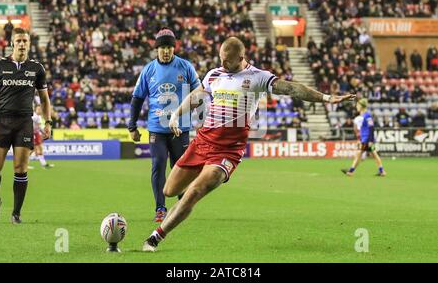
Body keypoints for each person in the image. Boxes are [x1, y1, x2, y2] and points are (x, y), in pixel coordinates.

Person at [142, 37, 354, 251]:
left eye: (227, 61)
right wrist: (176, 115)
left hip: (228, 151)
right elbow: (197, 95)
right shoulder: (214, 74)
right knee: (169, 190)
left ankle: (156, 237)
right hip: (203, 141)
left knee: (194, 192)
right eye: (221, 59)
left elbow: (292, 88)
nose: (223, 64)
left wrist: (326, 98)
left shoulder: (258, 77)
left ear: (241, 58)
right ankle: (189, 194)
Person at [128, 28, 200, 222]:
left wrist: (199, 117)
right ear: (156, 49)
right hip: (157, 130)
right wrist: (132, 127)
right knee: (158, 164)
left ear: (174, 48)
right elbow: (137, 98)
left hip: (181, 129)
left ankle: (183, 205)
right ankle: (160, 208)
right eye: (162, 48)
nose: (166, 51)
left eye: (169, 47)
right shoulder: (149, 70)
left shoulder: (185, 67)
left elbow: (200, 93)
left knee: (181, 167)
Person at [0, 27, 52, 223]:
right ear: (12, 43)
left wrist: (47, 122)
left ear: (29, 44)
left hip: (24, 121)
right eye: (19, 41)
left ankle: (16, 213)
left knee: (20, 168)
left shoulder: (37, 68)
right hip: (1, 121)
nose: (22, 44)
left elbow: (44, 99)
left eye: (25, 41)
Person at [341, 99, 386, 177]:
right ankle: (382, 171)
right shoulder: (364, 116)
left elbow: (371, 128)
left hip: (366, 139)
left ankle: (351, 171)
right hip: (366, 139)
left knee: (359, 154)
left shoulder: (367, 116)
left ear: (361, 106)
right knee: (373, 154)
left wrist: (370, 140)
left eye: (358, 105)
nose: (356, 106)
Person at [31, 105, 54, 169]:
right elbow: (38, 127)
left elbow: (38, 127)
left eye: (40, 109)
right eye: (38, 109)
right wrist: (45, 133)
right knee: (33, 150)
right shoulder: (35, 117)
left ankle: (44, 164)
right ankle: (25, 164)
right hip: (33, 134)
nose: (40, 110)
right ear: (35, 110)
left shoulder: (38, 117)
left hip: (36, 133)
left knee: (38, 149)